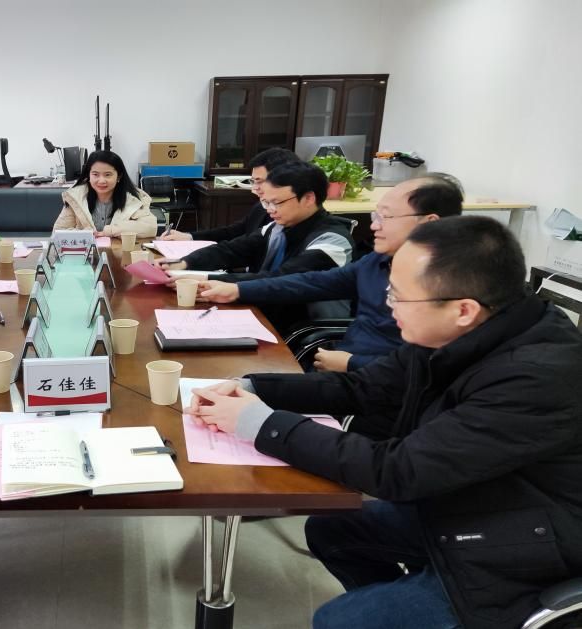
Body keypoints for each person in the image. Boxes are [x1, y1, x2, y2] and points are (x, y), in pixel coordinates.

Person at [187, 216, 582, 629]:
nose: (388, 305)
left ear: (463, 309)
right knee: (333, 530)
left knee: (338, 622)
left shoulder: (535, 377)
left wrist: (263, 425)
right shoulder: (459, 333)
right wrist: (251, 386)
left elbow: (399, 471)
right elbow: (362, 387)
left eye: (399, 296)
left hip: (528, 551)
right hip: (468, 506)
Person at [196, 174, 464, 373]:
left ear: (429, 223)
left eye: (386, 217)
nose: (374, 226)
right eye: (375, 216)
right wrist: (237, 289)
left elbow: (432, 366)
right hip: (344, 369)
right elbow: (311, 282)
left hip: (376, 384)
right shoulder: (377, 261)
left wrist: (353, 363)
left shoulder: (452, 285)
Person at [163, 161, 354, 331]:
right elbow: (232, 249)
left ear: (309, 198)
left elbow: (281, 279)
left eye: (276, 202)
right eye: (266, 202)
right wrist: (183, 263)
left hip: (301, 333)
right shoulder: (279, 226)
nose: (270, 210)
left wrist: (207, 279)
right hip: (262, 315)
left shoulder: (333, 242)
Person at [156, 147, 298, 242]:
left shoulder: (292, 223)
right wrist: (189, 236)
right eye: (253, 181)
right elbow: (233, 232)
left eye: (260, 181)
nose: (254, 189)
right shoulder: (261, 207)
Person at [53, 150, 157, 237]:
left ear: (119, 176)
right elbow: (58, 232)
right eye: (95, 174)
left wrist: (110, 231)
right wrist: (87, 234)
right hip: (87, 253)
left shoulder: (134, 198)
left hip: (122, 252)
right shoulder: (76, 197)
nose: (101, 181)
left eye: (108, 175)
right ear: (89, 175)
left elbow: (150, 227)